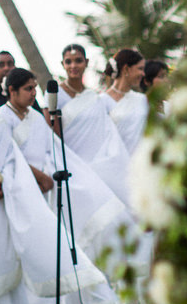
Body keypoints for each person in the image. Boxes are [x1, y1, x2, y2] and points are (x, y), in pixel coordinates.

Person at [0, 68, 129, 304]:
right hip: (19, 191)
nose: (34, 94)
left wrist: (53, 173)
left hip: (47, 189)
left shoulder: (34, 117)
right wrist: (35, 175)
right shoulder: (1, 118)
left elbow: (51, 148)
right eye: (28, 89)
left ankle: (69, 302)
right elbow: (7, 156)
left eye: (35, 88)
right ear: (11, 91)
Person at [51, 43, 134, 207]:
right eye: (68, 62)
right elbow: (54, 138)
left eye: (78, 61)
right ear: (62, 65)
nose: (73, 66)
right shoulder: (55, 95)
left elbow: (107, 132)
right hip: (76, 167)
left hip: (103, 163)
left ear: (86, 62)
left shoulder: (93, 96)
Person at [103, 48, 149, 156]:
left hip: (139, 164)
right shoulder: (101, 101)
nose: (143, 74)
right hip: (113, 163)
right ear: (126, 69)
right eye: (140, 69)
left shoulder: (142, 100)